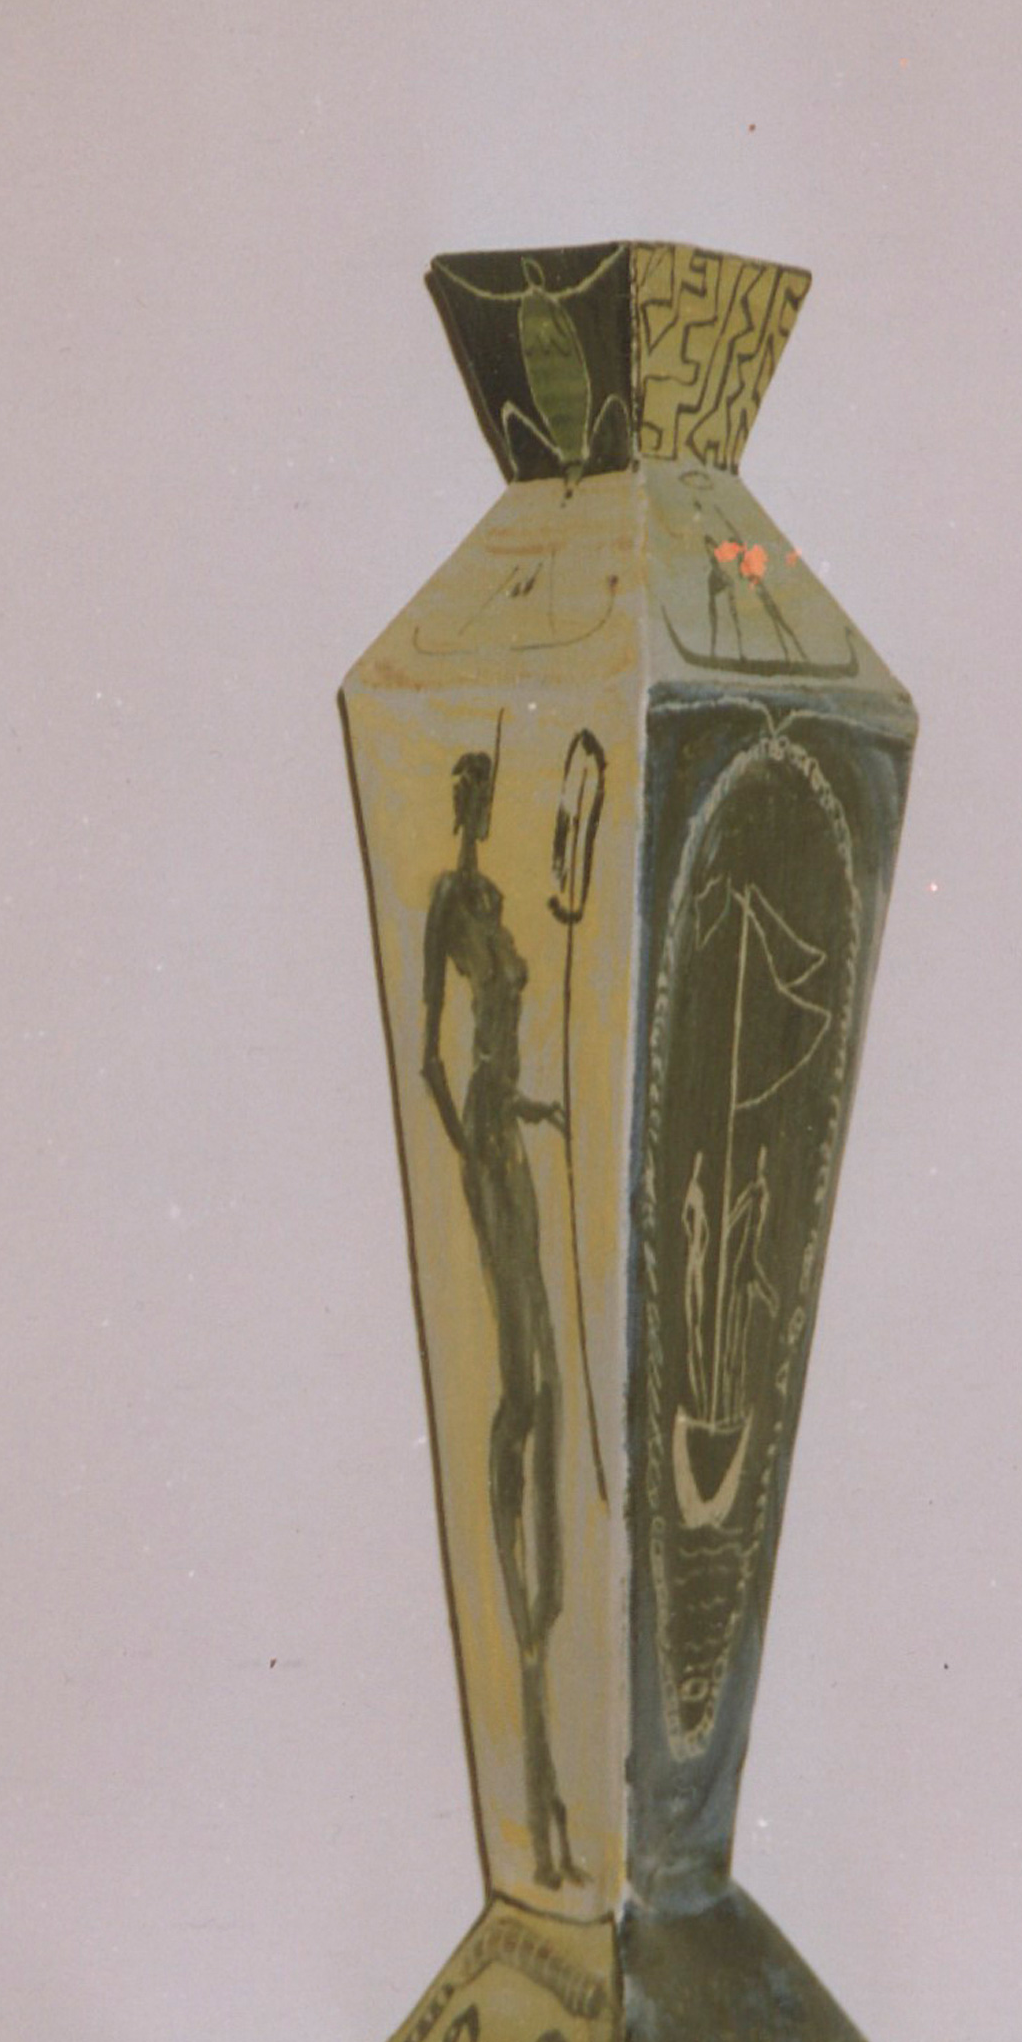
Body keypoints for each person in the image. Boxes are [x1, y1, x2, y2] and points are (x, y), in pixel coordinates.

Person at [421, 749, 583, 1890]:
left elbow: (496, 1051)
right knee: (521, 1392)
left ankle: (540, 1638)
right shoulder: (449, 902)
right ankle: (524, 1664)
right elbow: (434, 1055)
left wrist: (531, 1110)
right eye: (473, 796)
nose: (481, 808)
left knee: (551, 1388)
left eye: (488, 796)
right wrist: (470, 1144)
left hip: (506, 1134)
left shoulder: (496, 898)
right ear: (460, 802)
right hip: (484, 1144)